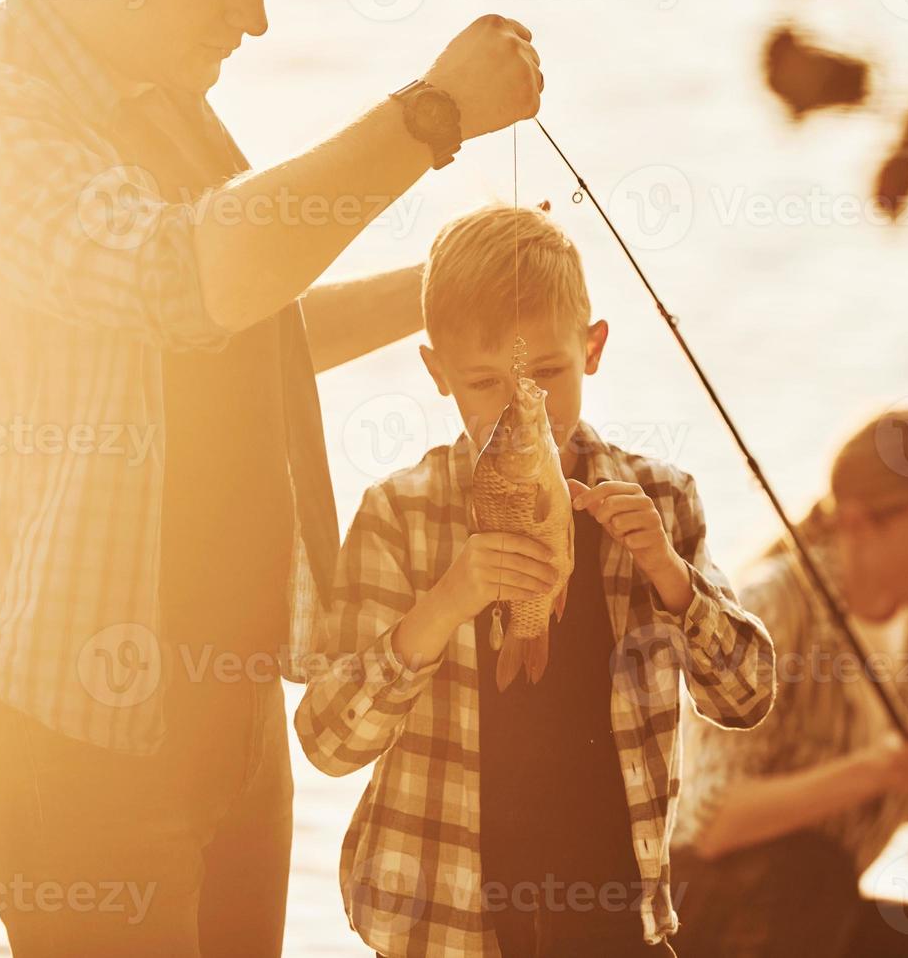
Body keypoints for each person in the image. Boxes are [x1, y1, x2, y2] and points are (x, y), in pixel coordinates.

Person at [0, 0, 542, 954]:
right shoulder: (6, 117)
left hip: (229, 712)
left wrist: (447, 287)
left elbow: (249, 323)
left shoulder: (150, 92)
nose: (255, 21)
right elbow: (188, 277)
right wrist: (431, 117)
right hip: (87, 748)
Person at [294, 205, 777, 957]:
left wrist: (672, 577)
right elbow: (327, 742)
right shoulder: (400, 513)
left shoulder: (662, 500)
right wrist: (445, 604)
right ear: (437, 373)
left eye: (547, 372)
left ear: (593, 348)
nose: (525, 406)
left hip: (616, 922)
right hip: (440, 927)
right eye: (485, 382)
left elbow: (746, 696)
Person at [670, 410, 908, 958]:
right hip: (708, 907)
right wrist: (872, 773)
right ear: (856, 524)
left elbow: (878, 787)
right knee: (811, 869)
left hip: (819, 911)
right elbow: (715, 824)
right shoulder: (771, 606)